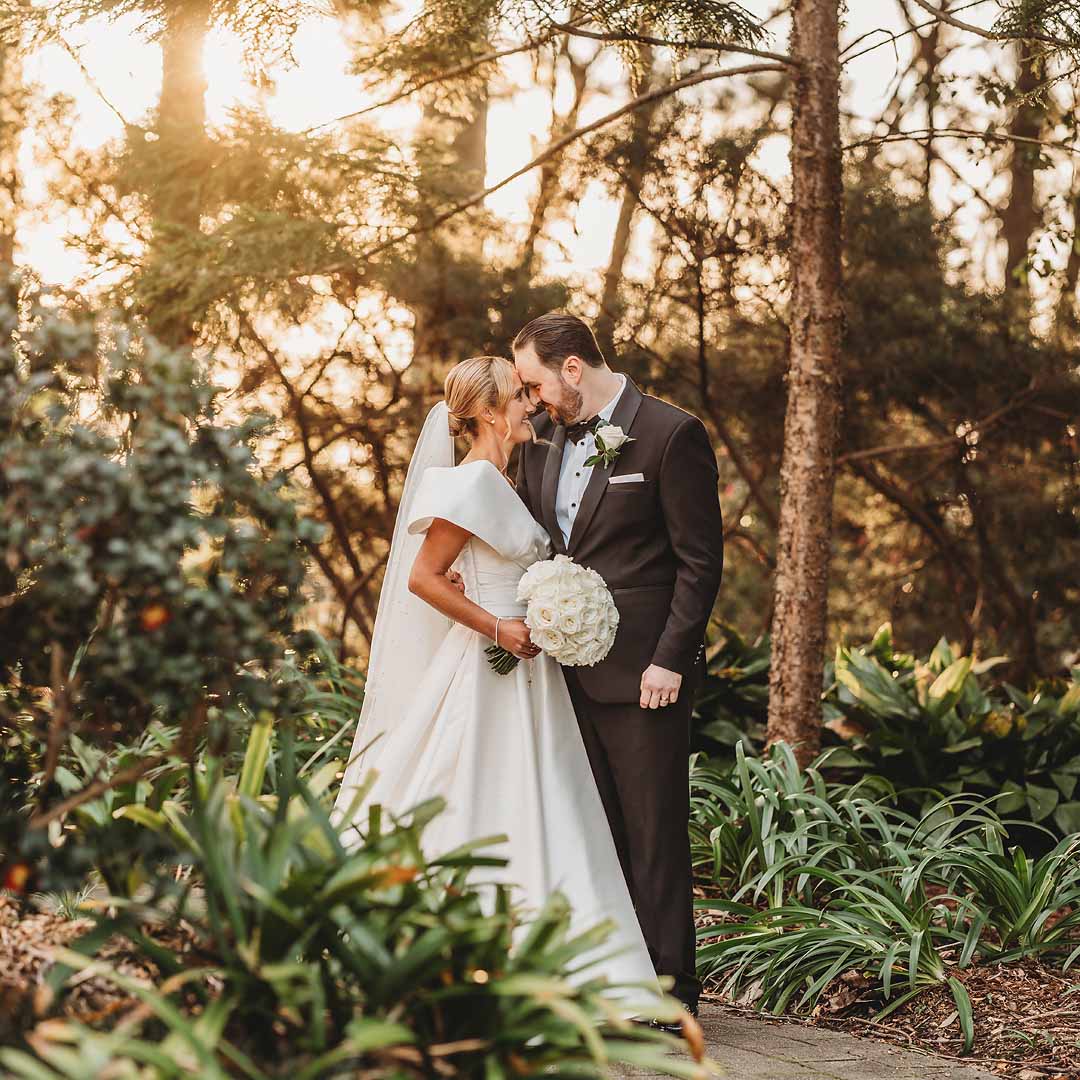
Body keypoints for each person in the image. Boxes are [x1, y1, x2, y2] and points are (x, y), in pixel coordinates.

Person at [331, 354, 660, 1012]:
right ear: (487, 412)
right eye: (517, 395)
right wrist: (495, 625)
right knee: (478, 789)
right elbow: (422, 578)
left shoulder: (507, 480)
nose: (529, 404)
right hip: (490, 663)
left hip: (533, 673)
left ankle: (558, 960)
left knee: (545, 797)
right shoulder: (471, 484)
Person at [513, 312, 724, 1024]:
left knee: (652, 829)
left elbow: (700, 562)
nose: (534, 397)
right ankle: (610, 978)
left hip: (644, 679)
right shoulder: (543, 442)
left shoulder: (671, 434)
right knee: (591, 828)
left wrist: (671, 659)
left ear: (572, 367)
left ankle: (671, 995)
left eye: (537, 382)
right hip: (562, 675)